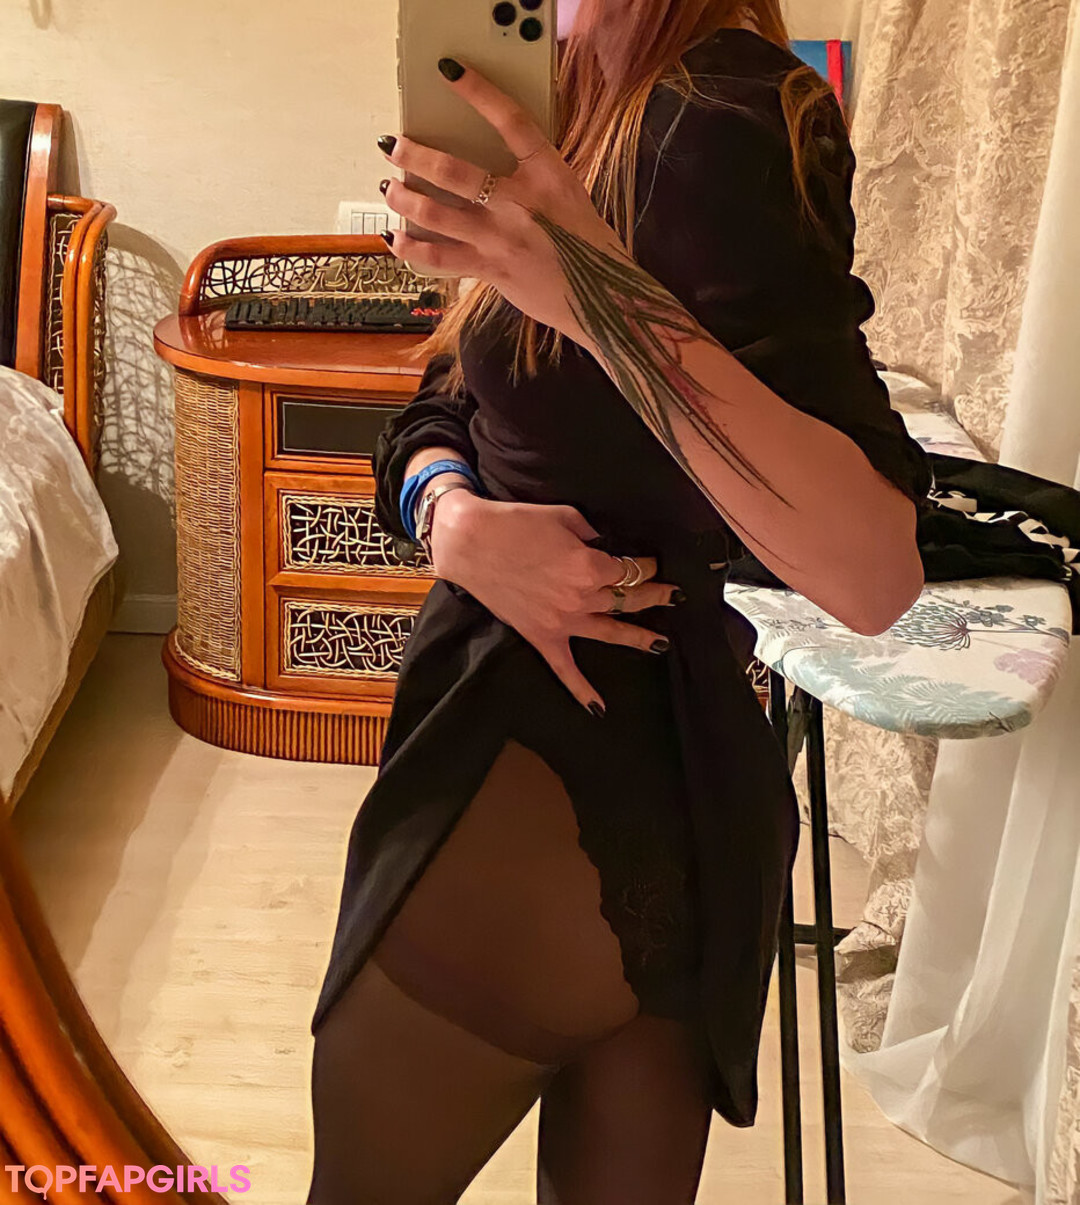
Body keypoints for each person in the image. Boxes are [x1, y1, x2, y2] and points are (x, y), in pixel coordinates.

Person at [306, 2, 931, 1202]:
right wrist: (451, 517)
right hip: (632, 773)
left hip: (538, 787)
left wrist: (593, 293)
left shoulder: (726, 116)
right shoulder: (563, 92)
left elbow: (871, 573)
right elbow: (448, 394)